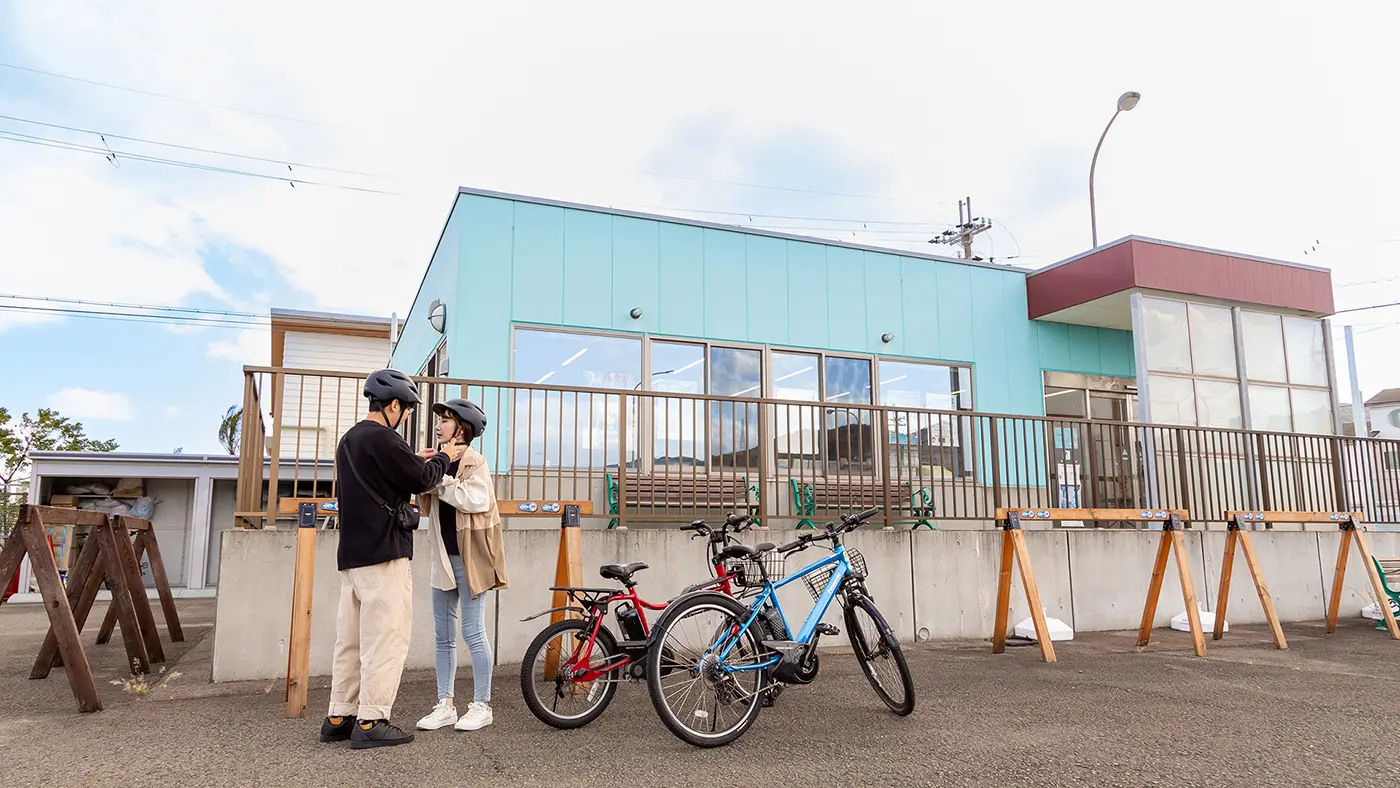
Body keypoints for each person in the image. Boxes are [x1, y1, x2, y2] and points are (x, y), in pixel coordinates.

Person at [319, 369, 464, 750]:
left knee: (348, 641)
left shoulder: (349, 440)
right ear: (394, 405)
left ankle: (339, 716)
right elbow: (421, 479)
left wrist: (414, 459)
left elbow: (391, 472)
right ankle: (371, 721)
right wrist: (445, 457)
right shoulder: (384, 438)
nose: (406, 417)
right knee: (384, 639)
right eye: (407, 410)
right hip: (384, 555)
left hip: (352, 556)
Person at [414, 398, 509, 733]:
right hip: (442, 560)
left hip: (471, 562)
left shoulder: (475, 462)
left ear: (463, 428)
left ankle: (482, 704)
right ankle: (445, 704)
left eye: (446, 419)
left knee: (472, 631)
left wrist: (441, 478)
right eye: (439, 419)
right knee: (443, 636)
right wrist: (427, 467)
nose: (439, 425)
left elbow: (474, 499)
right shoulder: (438, 461)